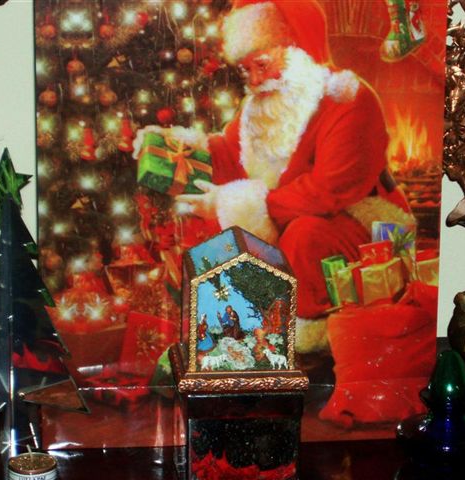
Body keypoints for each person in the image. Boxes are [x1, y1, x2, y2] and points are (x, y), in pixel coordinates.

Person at [135, 0, 413, 352]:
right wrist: (177, 149)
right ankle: (238, 332)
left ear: (297, 50)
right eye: (246, 69)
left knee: (303, 236)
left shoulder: (346, 98)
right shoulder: (260, 104)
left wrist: (237, 204)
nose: (254, 80)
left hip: (362, 222)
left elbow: (328, 190)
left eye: (262, 65)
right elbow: (230, 152)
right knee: (225, 239)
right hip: (289, 213)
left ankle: (309, 336)